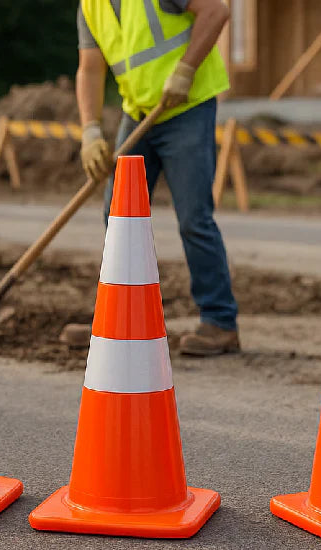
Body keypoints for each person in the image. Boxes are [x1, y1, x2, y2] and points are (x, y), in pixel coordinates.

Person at [71, 0, 239, 356]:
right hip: (140, 113)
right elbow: (90, 69)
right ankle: (122, 318)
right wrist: (90, 131)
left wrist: (186, 69)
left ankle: (220, 322)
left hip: (187, 106)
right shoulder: (90, 7)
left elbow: (217, 11)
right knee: (118, 216)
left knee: (194, 218)